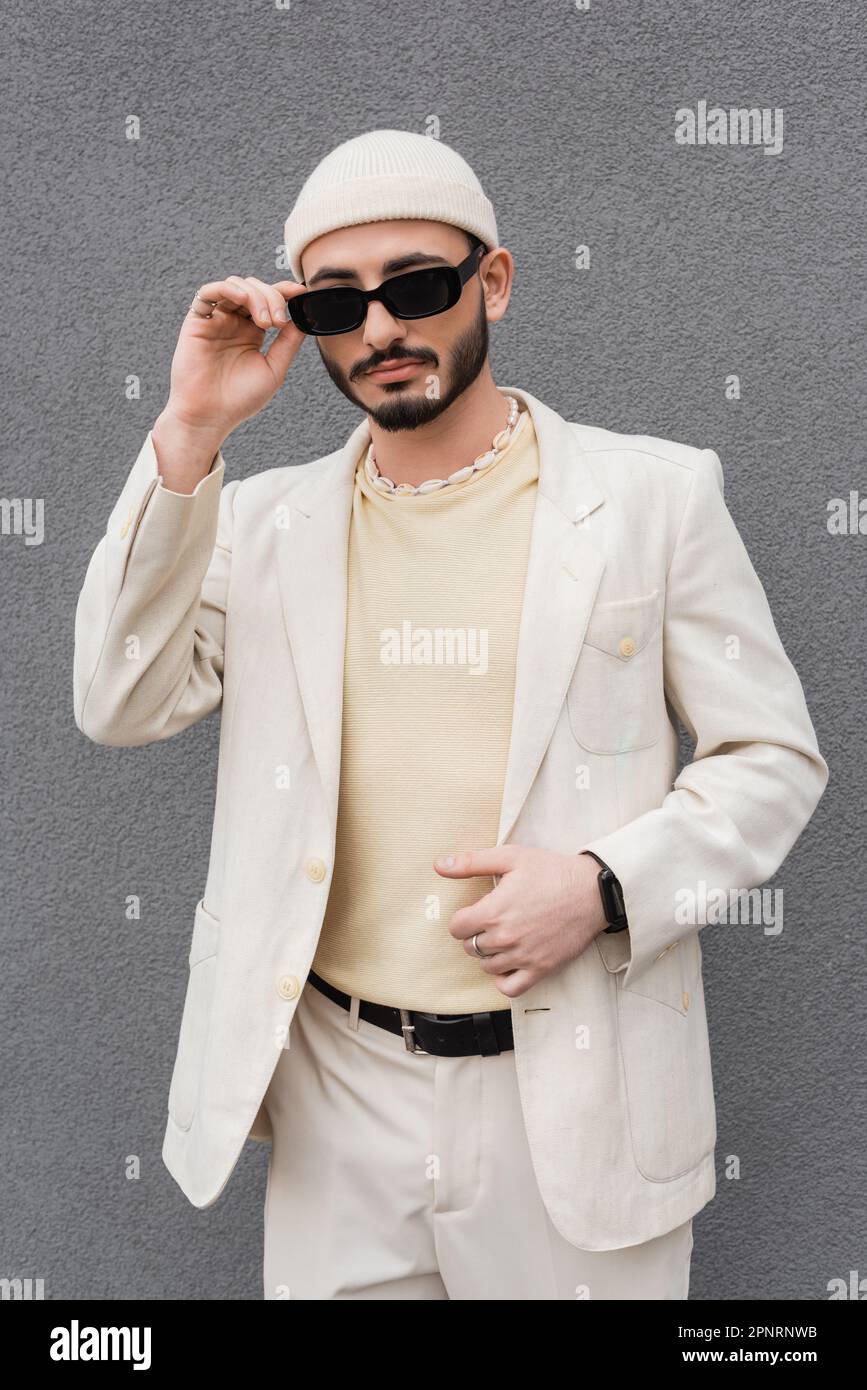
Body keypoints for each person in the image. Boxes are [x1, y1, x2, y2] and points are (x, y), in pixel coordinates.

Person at [73, 129, 828, 1300]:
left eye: (417, 287)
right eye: (336, 304)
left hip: (573, 1090)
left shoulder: (654, 500)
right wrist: (190, 432)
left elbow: (771, 755)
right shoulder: (263, 523)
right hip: (336, 1090)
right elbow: (118, 696)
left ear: (495, 280)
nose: (379, 330)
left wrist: (605, 885)